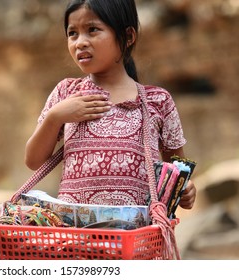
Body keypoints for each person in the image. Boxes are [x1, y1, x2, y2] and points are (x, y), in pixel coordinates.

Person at [24, 0, 196, 211]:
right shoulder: (66, 93)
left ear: (128, 36)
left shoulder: (158, 101)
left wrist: (185, 189)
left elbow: (177, 168)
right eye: (72, 33)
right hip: (74, 237)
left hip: (135, 236)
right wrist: (55, 117)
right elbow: (33, 161)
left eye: (92, 30)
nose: (80, 42)